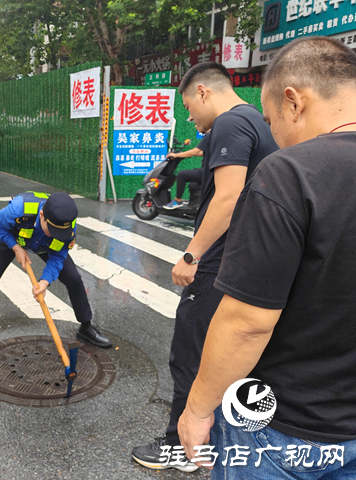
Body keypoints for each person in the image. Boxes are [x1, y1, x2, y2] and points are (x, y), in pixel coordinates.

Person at [179, 37, 356, 479]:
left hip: (283, 425)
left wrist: (198, 409)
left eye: (273, 120)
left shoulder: (291, 172)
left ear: (294, 102)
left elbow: (247, 322)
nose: (275, 135)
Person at [131, 62, 279, 472]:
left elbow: (228, 198)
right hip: (251, 257)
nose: (189, 118)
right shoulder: (255, 120)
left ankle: (181, 449)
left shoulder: (230, 124)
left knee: (191, 353)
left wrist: (191, 255)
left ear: (202, 92)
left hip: (220, 261)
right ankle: (218, 439)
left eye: (187, 107)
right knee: (231, 353)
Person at [0, 191, 113, 349]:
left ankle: (86, 326)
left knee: (74, 279)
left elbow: (58, 257)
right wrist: (16, 247)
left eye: (59, 232)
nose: (54, 234)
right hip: (13, 238)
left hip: (45, 245)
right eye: (51, 229)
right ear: (42, 215)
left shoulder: (67, 225)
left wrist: (45, 281)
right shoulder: (20, 209)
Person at [164, 128, 209, 210]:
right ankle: (194, 203)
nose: (195, 126)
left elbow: (195, 151)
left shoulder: (209, 135)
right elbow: (202, 153)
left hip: (207, 171)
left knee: (182, 175)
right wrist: (184, 154)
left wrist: (176, 155)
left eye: (197, 124)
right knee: (193, 175)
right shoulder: (215, 135)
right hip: (209, 170)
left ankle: (177, 200)